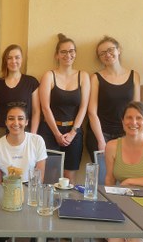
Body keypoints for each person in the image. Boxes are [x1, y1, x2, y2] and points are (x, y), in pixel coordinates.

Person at [39, 34, 90, 184]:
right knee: (50, 174)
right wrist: (56, 133)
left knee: (69, 177)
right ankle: (47, 206)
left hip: (74, 131)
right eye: (63, 52)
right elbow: (45, 107)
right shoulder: (49, 75)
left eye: (71, 51)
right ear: (57, 55)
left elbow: (84, 107)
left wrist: (73, 132)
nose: (68, 55)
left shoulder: (83, 76)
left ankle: (67, 206)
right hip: (50, 130)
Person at [87, 36, 140, 160]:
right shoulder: (95, 78)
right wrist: (101, 141)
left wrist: (133, 135)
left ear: (119, 50)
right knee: (102, 176)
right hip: (100, 133)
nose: (108, 55)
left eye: (111, 50)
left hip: (125, 134)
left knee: (124, 174)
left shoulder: (134, 76)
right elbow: (91, 112)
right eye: (103, 53)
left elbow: (137, 109)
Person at [0, 44, 40, 146]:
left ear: (22, 59)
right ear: (5, 61)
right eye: (9, 58)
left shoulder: (31, 82)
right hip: (1, 133)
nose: (13, 61)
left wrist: (33, 135)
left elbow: (36, 111)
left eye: (17, 57)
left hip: (25, 132)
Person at [0, 106, 47, 183]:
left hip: (31, 188)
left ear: (26, 122)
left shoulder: (37, 141)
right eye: (11, 119)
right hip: (8, 189)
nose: (16, 123)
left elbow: (39, 179)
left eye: (20, 118)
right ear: (6, 122)